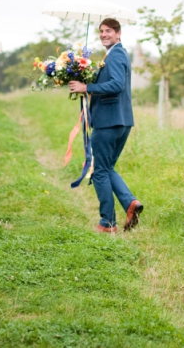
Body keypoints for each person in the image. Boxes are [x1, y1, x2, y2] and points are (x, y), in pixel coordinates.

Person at [69, 19, 143, 233]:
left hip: (109, 121)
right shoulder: (111, 55)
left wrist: (87, 87)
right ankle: (130, 203)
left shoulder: (117, 54)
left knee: (99, 171)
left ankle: (107, 223)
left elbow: (117, 85)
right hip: (121, 121)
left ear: (118, 34)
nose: (103, 34)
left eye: (108, 31)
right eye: (101, 31)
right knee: (107, 168)